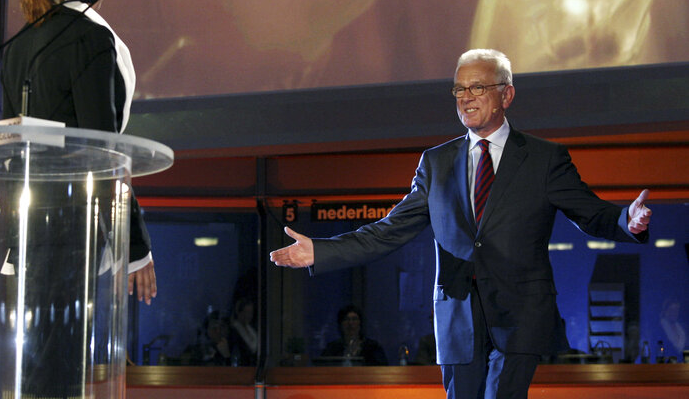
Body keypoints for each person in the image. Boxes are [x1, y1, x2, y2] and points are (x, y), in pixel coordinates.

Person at [270, 48, 652, 399]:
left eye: (477, 87)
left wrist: (626, 221)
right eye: (458, 90)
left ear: (507, 95)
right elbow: (389, 230)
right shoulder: (436, 163)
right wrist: (321, 250)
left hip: (520, 313)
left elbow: (589, 212)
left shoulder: (543, 158)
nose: (465, 98)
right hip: (457, 313)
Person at [0, 0, 156, 396]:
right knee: (60, 363)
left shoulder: (19, 45)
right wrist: (136, 250)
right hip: (73, 229)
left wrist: (7, 242)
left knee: (39, 362)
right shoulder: (90, 38)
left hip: (24, 229)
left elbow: (12, 149)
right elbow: (104, 153)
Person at [320, 304, 388, 366]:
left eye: (354, 319)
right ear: (340, 324)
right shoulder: (332, 348)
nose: (350, 323)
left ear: (360, 323)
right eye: (346, 319)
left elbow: (382, 368)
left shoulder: (373, 347)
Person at [228, 296, 258, 366]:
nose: (249, 315)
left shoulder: (253, 330)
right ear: (239, 312)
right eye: (246, 312)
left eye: (251, 312)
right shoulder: (233, 332)